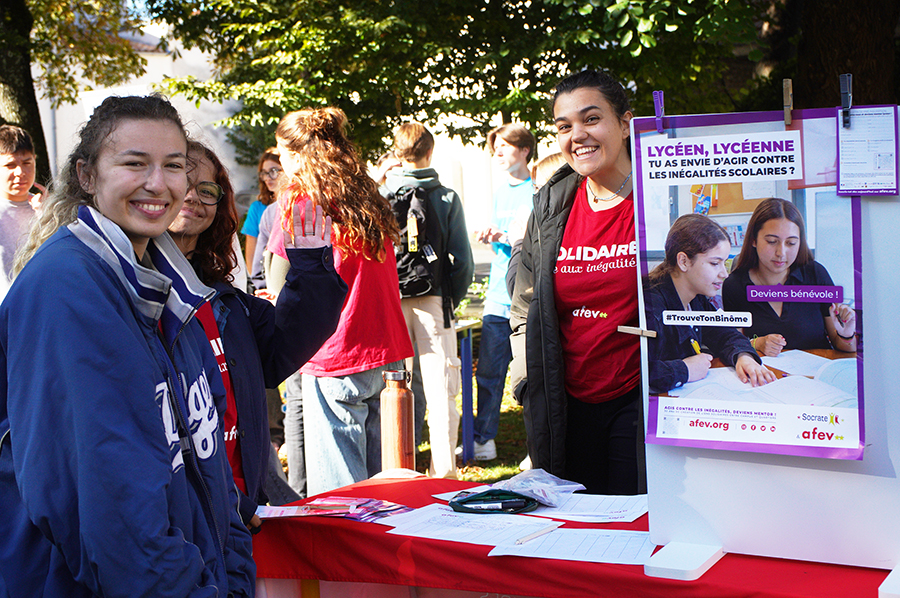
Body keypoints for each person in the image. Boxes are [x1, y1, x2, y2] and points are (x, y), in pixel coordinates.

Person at [0, 95, 255, 596]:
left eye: (174, 166)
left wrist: (234, 575)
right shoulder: (66, 288)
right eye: (134, 163)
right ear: (88, 176)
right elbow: (111, 515)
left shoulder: (170, 286)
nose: (158, 183)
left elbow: (208, 464)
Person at [168, 140, 347, 525]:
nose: (193, 197)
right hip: (183, 516)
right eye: (181, 182)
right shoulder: (131, 295)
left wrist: (311, 269)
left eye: (207, 189)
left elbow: (278, 352)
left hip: (242, 511)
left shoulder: (225, 300)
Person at [266, 107, 413, 496]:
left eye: (281, 153)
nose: (280, 163)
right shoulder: (363, 191)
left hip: (336, 347)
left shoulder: (301, 199)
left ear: (296, 153)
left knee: (343, 495)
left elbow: (279, 277)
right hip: (385, 346)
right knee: (387, 486)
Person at [510, 69, 643, 495]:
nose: (577, 135)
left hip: (639, 398)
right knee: (581, 534)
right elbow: (524, 304)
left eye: (591, 119)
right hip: (565, 405)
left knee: (632, 529)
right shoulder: (552, 206)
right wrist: (528, 384)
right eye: (564, 126)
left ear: (625, 123)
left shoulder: (660, 197)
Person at [384, 121, 474, 479]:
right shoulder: (447, 196)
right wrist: (452, 296)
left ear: (397, 152)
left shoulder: (381, 193)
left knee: (394, 387)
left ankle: (396, 468)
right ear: (430, 151)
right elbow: (463, 259)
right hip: (433, 299)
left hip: (392, 300)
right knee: (441, 391)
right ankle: (444, 474)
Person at [644, 214, 776, 393]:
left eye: (725, 263)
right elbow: (634, 373)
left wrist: (744, 356)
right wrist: (685, 370)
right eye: (715, 263)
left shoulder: (696, 298)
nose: (724, 274)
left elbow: (724, 333)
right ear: (683, 261)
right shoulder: (651, 306)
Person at [466, 122, 535, 461]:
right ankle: (483, 439)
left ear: (524, 150)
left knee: (530, 377)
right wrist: (489, 235)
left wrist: (506, 236)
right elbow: (502, 240)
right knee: (490, 374)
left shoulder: (538, 189)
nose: (497, 155)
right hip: (496, 297)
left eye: (504, 148)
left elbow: (533, 242)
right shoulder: (498, 192)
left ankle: (537, 445)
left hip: (525, 298)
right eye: (495, 150)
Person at [722, 197, 857, 356]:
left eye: (791, 243)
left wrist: (846, 334)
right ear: (753, 240)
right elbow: (733, 342)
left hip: (815, 373)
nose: (781, 253)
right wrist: (757, 343)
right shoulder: (735, 285)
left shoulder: (815, 274)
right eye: (772, 241)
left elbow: (845, 347)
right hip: (767, 376)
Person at [507, 151, 566, 471]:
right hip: (534, 362)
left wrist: (519, 242)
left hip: (545, 366)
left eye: (541, 188)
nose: (537, 198)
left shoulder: (548, 229)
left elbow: (518, 283)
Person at [0, 125, 41, 299]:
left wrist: (45, 216)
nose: (20, 172)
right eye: (10, 165)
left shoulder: (48, 209)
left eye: (26, 163)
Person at [244, 147, 283, 288]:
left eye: (273, 171)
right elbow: (251, 255)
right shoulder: (257, 208)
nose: (267, 178)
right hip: (265, 284)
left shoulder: (297, 206)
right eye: (264, 173)